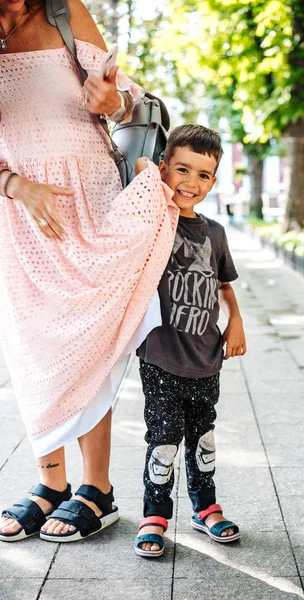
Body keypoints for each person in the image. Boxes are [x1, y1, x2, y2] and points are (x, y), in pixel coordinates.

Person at [0, 0, 178, 542]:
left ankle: (96, 490)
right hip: (23, 214)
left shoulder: (62, 11)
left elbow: (134, 104)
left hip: (93, 199)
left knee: (89, 340)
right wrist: (15, 185)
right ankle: (50, 485)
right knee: (34, 345)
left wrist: (116, 99)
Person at [133, 125, 247, 558]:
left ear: (214, 182)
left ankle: (205, 509)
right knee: (163, 438)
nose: (191, 183)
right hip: (161, 356)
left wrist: (236, 321)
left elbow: (224, 284)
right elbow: (138, 172)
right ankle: (154, 516)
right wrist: (152, 174)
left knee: (204, 438)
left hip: (207, 357)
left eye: (203, 175)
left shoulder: (215, 232)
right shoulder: (154, 222)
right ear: (164, 168)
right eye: (182, 169)